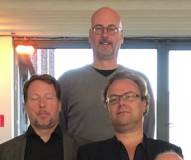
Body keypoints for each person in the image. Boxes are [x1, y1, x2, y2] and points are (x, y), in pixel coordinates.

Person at [58, 7, 156, 141]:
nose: (105, 35)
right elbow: (58, 135)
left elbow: (148, 135)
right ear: (90, 35)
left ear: (121, 36)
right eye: (98, 28)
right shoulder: (67, 82)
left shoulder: (138, 82)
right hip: (79, 156)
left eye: (112, 29)